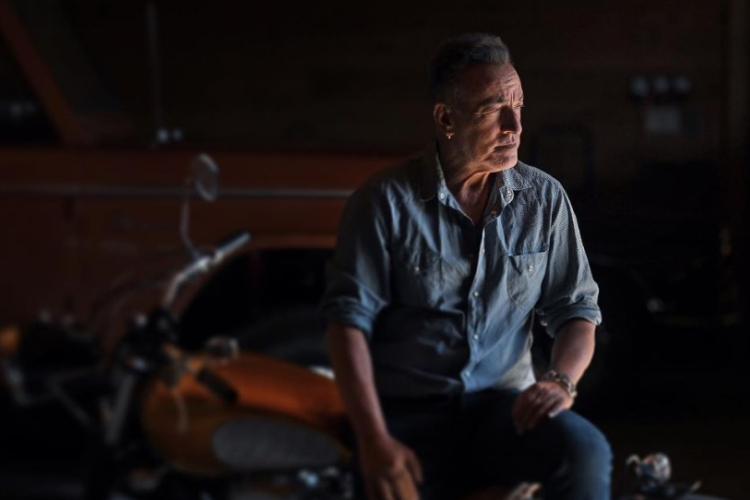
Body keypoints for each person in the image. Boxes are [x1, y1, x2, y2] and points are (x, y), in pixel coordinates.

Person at [322, 33, 612, 500]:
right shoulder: (384, 202)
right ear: (446, 118)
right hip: (407, 415)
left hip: (504, 410)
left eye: (519, 106)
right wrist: (373, 440)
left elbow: (576, 308)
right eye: (494, 110)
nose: (515, 126)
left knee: (585, 451)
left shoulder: (544, 199)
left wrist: (561, 381)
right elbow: (347, 323)